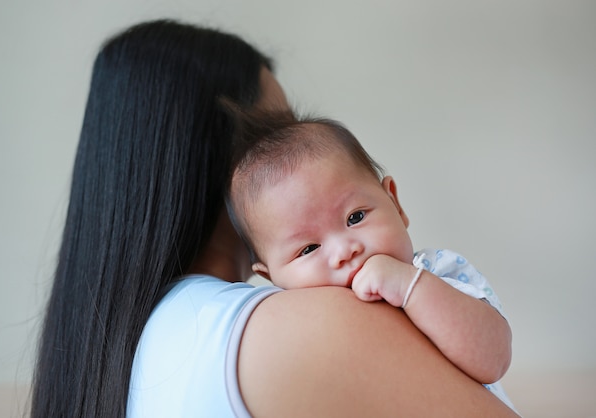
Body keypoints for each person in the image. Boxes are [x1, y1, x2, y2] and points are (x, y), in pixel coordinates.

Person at [31, 19, 520, 417]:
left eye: (354, 215)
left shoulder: (121, 359)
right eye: (277, 133)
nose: (344, 250)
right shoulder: (310, 326)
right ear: (221, 166)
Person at [226, 111, 515, 409]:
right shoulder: (289, 334)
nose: (344, 251)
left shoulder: (436, 271)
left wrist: (410, 287)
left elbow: (495, 358)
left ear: (394, 203)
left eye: (355, 217)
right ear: (272, 277)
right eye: (309, 249)